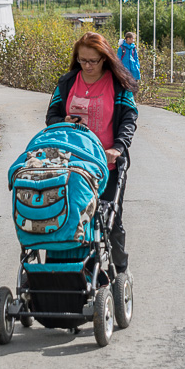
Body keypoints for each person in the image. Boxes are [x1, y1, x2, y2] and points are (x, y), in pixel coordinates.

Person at [46, 32, 137, 273]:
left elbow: (129, 118)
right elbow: (51, 116)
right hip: (70, 163)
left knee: (109, 220)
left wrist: (117, 147)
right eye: (82, 60)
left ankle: (119, 269)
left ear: (105, 58)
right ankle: (74, 269)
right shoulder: (67, 83)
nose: (87, 66)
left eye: (93, 61)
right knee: (69, 215)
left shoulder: (119, 84)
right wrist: (63, 119)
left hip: (106, 165)